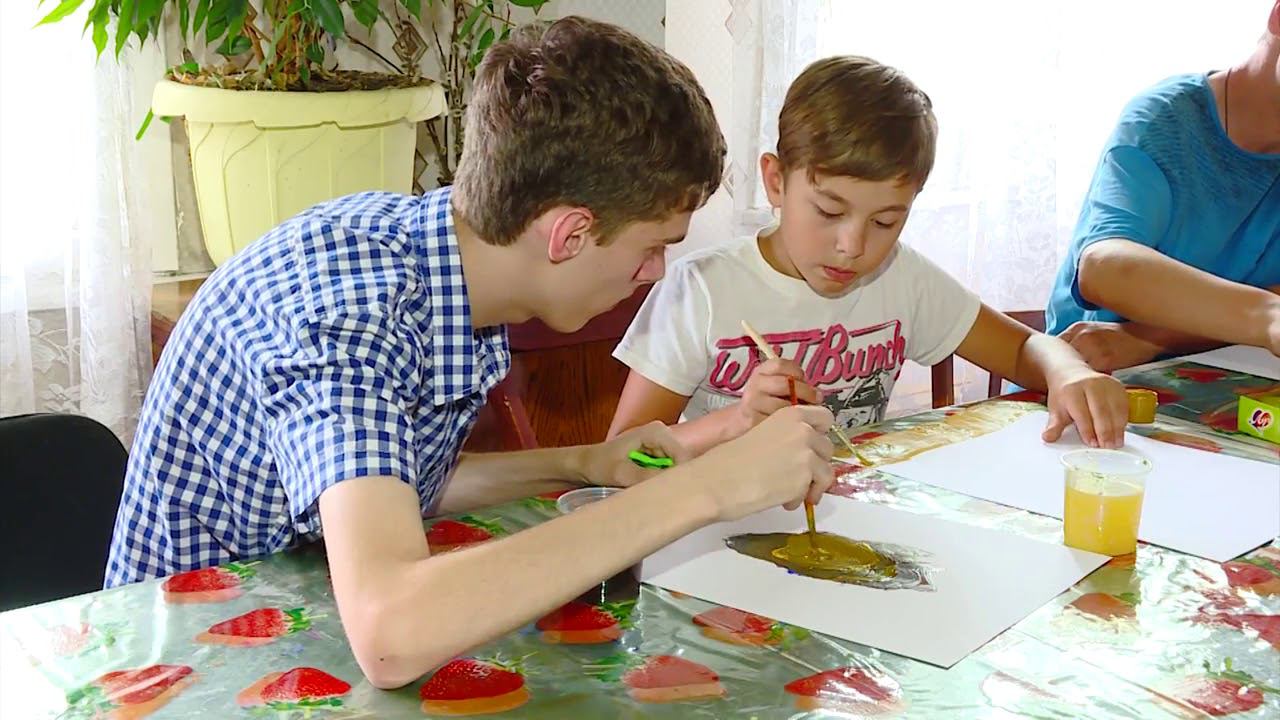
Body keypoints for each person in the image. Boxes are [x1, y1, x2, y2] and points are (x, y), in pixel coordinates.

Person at [106, 17, 836, 689]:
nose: (654, 273)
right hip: (183, 669)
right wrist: (704, 491)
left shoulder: (445, 263)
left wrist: (583, 463)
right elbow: (392, 631)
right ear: (570, 235)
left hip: (296, 617)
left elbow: (395, 483)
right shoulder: (349, 316)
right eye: (652, 247)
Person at [609, 56, 1129, 457]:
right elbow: (625, 455)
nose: (853, 246)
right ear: (775, 181)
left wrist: (1068, 372)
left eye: (885, 222)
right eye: (829, 211)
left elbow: (1022, 350)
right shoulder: (701, 290)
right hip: (715, 524)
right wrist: (735, 422)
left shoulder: (902, 277)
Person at [1046, 0, 1280, 371]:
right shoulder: (1164, 121)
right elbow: (1104, 268)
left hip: (1220, 382)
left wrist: (1149, 338)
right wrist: (1266, 316)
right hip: (1084, 380)